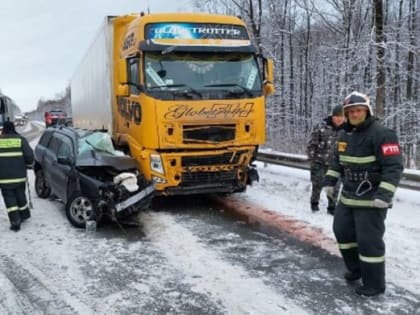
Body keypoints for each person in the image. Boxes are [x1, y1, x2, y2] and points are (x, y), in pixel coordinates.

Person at [323, 91, 403, 297]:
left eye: (358, 110)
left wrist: (384, 196)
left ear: (367, 111)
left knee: (369, 242)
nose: (355, 114)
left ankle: (375, 284)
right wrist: (330, 181)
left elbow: (393, 168)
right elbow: (337, 162)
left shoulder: (383, 134)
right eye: (350, 111)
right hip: (348, 195)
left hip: (372, 198)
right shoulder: (344, 134)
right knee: (342, 232)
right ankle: (356, 269)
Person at [307, 104, 345, 214]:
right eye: (337, 116)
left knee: (335, 187)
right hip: (319, 162)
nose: (339, 119)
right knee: (317, 184)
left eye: (342, 116)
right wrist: (312, 159)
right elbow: (312, 145)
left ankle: (332, 207)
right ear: (332, 116)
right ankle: (314, 203)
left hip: (336, 165)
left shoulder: (347, 131)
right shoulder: (321, 127)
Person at [0, 121, 34, 231]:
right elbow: (29, 155)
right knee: (20, 195)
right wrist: (29, 164)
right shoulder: (20, 139)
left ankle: (15, 221)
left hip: (4, 178)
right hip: (19, 176)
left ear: (4, 129)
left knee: (10, 199)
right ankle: (24, 215)